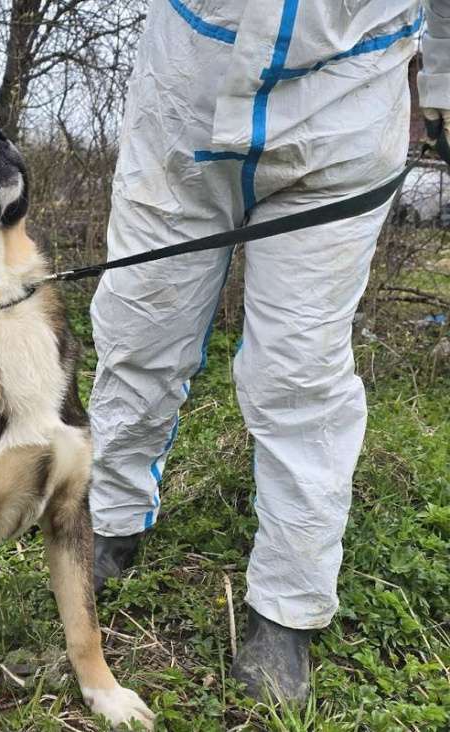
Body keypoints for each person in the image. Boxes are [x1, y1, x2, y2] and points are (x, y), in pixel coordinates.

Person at [89, 0, 449, 704]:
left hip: (344, 107)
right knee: (139, 328)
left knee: (300, 369)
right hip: (185, 89)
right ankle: (109, 518)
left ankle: (289, 603)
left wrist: (443, 88)